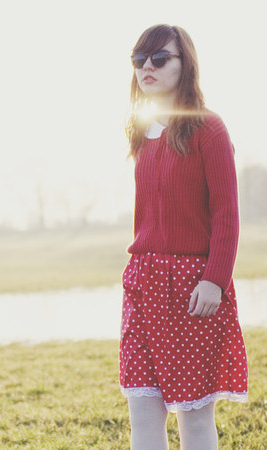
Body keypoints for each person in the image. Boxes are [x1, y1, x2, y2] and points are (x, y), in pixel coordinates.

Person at [119, 24, 248, 450]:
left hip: (193, 287)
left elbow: (227, 213)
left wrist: (214, 278)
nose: (147, 68)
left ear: (185, 63)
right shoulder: (141, 129)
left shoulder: (208, 128)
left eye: (160, 58)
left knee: (193, 417)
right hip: (143, 283)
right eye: (140, 60)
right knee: (143, 412)